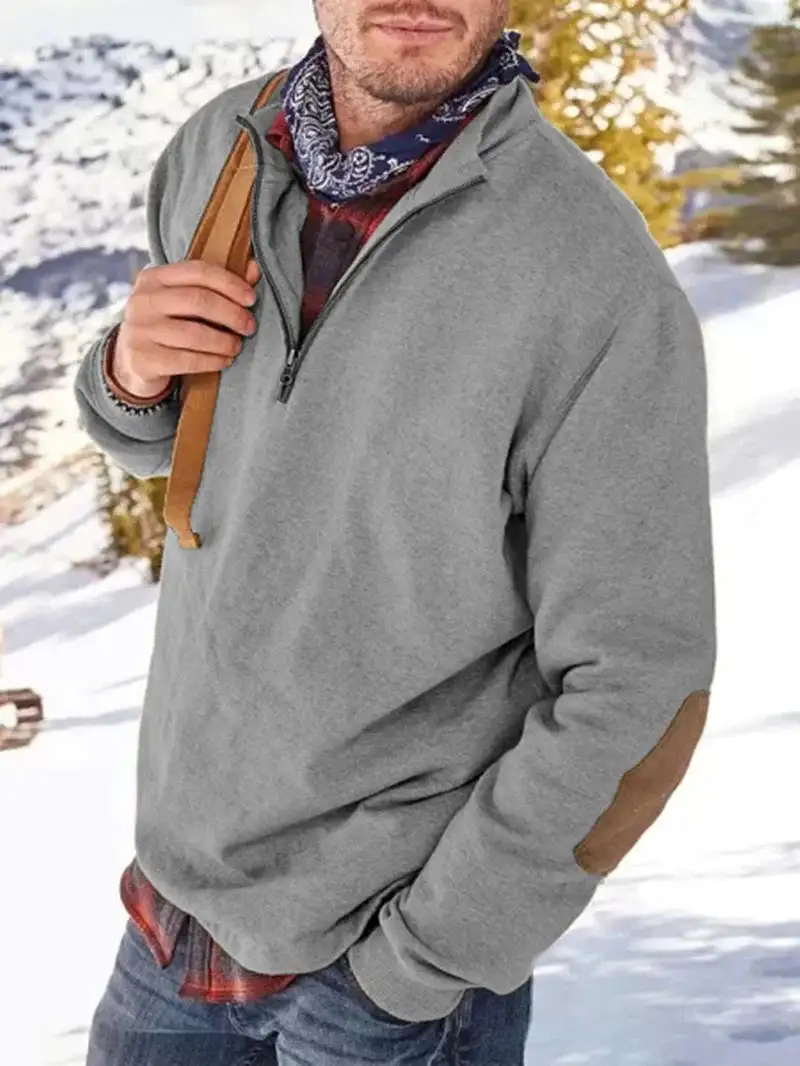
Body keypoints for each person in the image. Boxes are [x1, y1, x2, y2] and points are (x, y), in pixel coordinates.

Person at [74, 2, 717, 1063]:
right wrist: (128, 371)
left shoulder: (589, 271)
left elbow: (643, 683)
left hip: (382, 979)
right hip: (173, 925)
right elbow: (180, 447)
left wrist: (421, 964)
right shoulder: (219, 153)